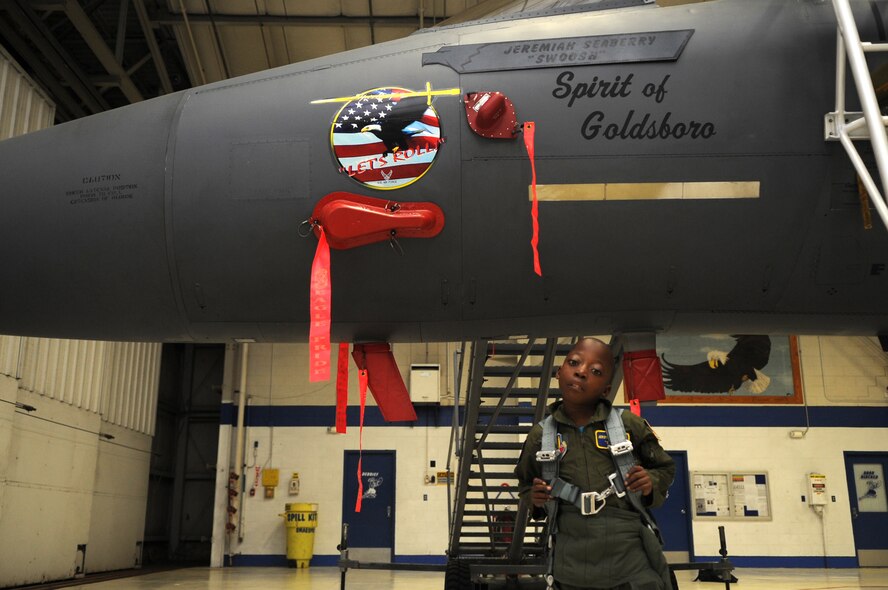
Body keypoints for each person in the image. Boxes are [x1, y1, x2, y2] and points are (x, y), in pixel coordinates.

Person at [515, 337, 676, 590]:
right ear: (559, 372)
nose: (581, 372)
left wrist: (650, 482)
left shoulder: (628, 426)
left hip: (629, 561)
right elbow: (525, 483)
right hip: (570, 562)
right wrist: (534, 498)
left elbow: (665, 468)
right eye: (574, 363)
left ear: (606, 389)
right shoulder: (541, 437)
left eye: (595, 371)